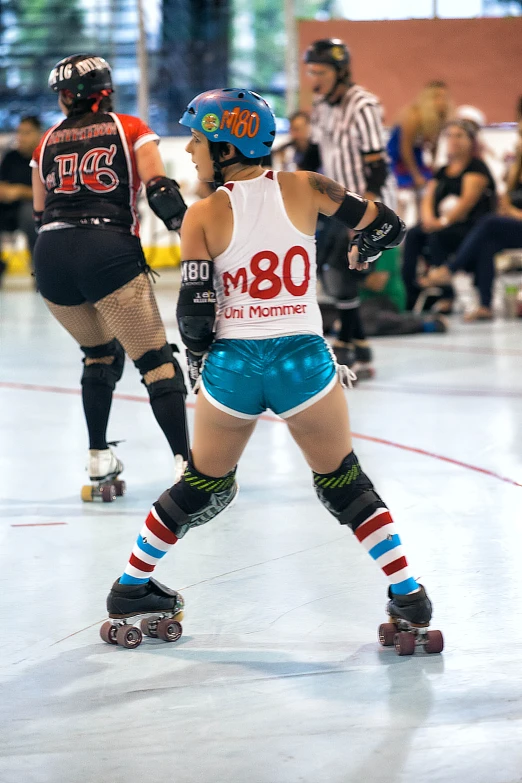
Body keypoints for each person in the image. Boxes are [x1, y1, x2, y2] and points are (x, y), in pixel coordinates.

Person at [102, 88, 441, 656]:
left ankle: (130, 587)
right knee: (345, 484)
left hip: (235, 368)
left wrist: (199, 365)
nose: (189, 151)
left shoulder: (202, 215)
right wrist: (363, 252)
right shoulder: (308, 187)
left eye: (199, 140)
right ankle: (408, 597)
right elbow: (388, 226)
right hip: (304, 363)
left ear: (227, 144)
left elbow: (196, 318)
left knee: (201, 486)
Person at [31, 53, 190, 497]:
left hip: (51, 259)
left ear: (65, 98)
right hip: (106, 248)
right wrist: (193, 238)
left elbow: (40, 214)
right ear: (106, 90)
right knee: (156, 363)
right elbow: (159, 188)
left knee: (100, 355)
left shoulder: (45, 142)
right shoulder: (129, 127)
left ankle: (99, 459)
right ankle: (188, 468)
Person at [304, 38, 397, 379]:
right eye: (312, 71)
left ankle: (348, 341)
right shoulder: (321, 104)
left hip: (369, 202)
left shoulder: (364, 106)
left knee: (340, 267)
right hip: (336, 201)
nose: (315, 78)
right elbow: (313, 154)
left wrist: (363, 218)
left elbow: (377, 166)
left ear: (340, 72)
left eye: (321, 71)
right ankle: (356, 341)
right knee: (330, 267)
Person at [426, 116, 522, 321]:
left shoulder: (476, 168)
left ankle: (451, 269)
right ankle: (485, 305)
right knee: (488, 241)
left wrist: (510, 212)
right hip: (512, 228)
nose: (518, 141)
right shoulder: (515, 170)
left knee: (487, 222)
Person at [402, 119, 496, 312]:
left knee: (437, 236)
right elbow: (429, 197)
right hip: (443, 225)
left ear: (471, 141)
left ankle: (447, 294)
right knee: (413, 234)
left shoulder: (476, 168)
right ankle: (410, 292)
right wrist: (428, 219)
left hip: (470, 228)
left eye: (459, 136)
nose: (454, 140)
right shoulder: (443, 171)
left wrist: (442, 222)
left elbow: (466, 202)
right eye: (450, 136)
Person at [0, 116, 42, 284]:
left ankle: (38, 269)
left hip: (30, 209)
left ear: (38, 134)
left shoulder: (42, 157)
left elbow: (47, 192)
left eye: (27, 133)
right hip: (7, 207)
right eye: (19, 133)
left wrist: (20, 192)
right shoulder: (11, 157)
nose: (21, 137)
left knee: (29, 214)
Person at [387, 81, 451, 191]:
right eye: (438, 97)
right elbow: (405, 148)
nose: (442, 101)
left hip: (416, 155)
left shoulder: (440, 118)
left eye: (445, 97)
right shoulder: (414, 116)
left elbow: (434, 145)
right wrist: (416, 175)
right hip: (397, 156)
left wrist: (433, 164)